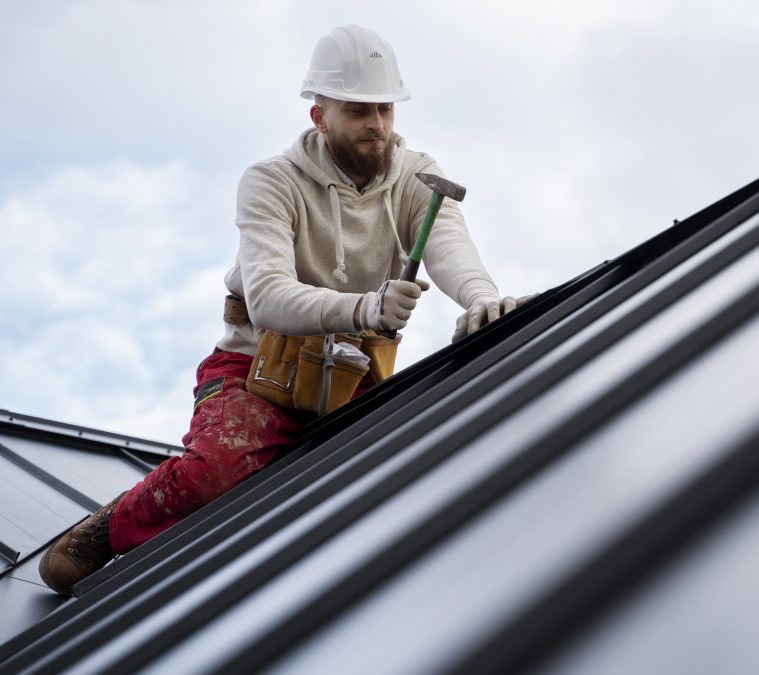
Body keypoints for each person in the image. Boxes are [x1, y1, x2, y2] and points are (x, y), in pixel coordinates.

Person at [39, 25, 524, 596]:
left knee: (408, 468)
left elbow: (449, 246)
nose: (377, 126)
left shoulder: (415, 178)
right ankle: (108, 528)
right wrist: (366, 307)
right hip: (254, 371)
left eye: (386, 110)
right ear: (320, 116)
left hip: (347, 376)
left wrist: (482, 298)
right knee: (217, 472)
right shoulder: (271, 183)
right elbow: (268, 296)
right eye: (358, 110)